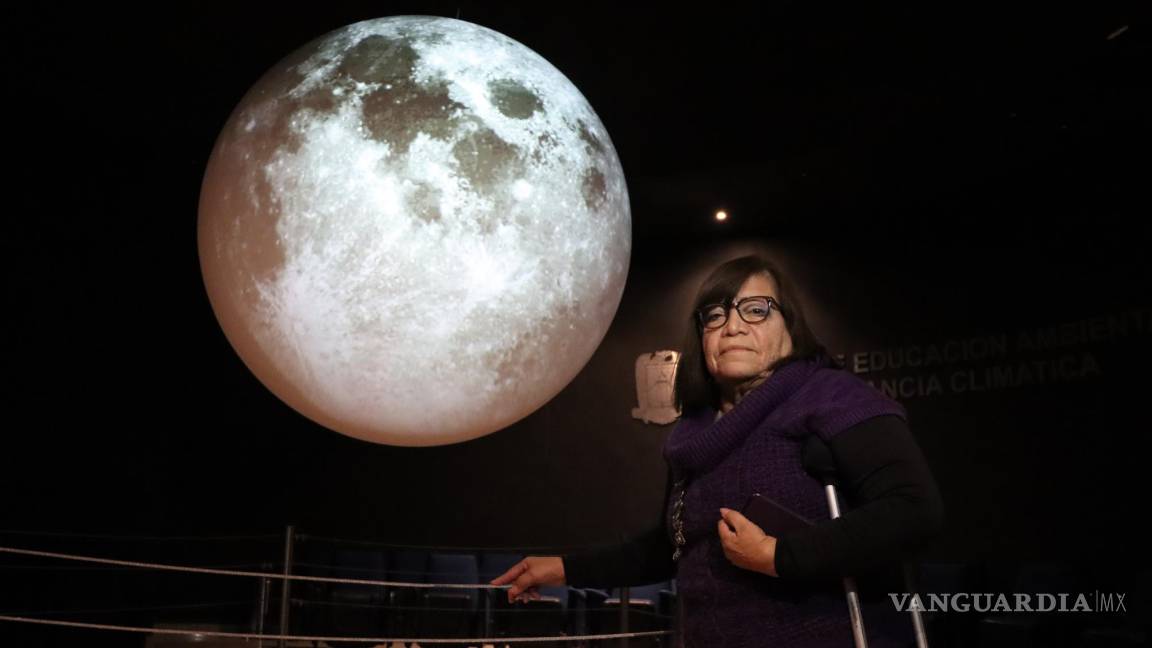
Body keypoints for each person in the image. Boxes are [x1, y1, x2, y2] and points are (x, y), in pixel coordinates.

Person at [491, 254, 944, 647]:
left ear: (790, 324)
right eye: (715, 315)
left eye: (756, 310)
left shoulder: (832, 397)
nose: (732, 327)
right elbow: (678, 546)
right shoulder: (693, 435)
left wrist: (777, 556)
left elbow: (913, 510)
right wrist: (564, 569)